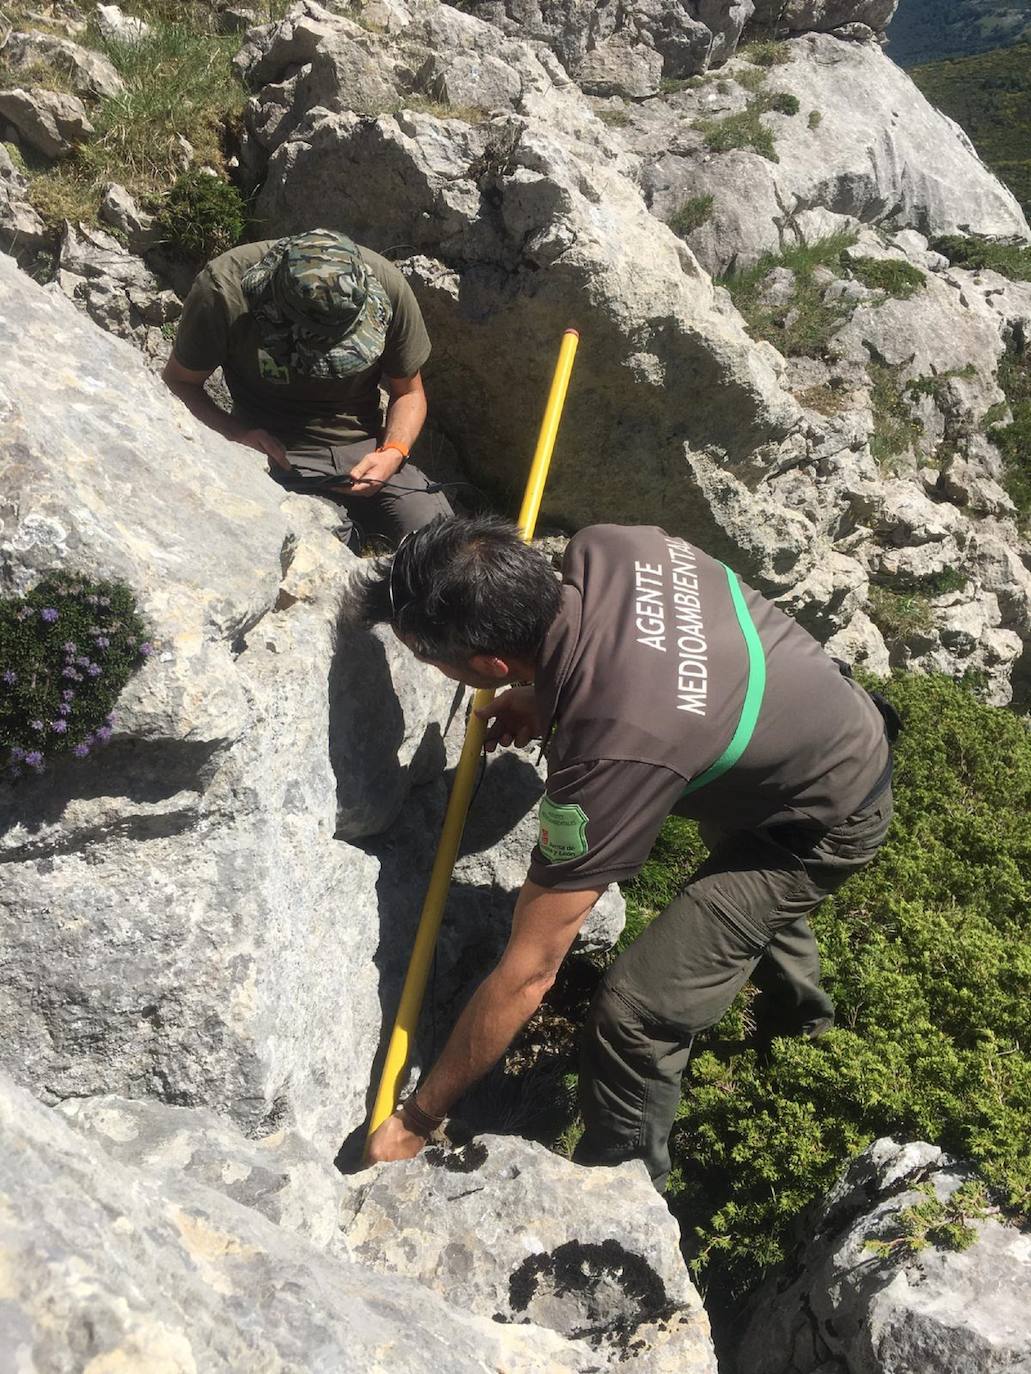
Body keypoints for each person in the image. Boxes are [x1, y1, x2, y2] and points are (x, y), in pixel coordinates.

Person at [359, 517, 895, 1188]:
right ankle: (803, 1026)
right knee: (741, 903)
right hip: (806, 736)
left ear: (490, 667)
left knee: (635, 1014)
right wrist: (547, 692)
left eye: (430, 658)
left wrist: (416, 1118)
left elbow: (529, 973)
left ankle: (622, 1190)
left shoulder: (614, 750)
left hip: (820, 819)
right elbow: (647, 647)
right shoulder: (614, 544)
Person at [162, 227, 453, 550]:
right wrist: (237, 435)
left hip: (368, 450)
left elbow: (409, 393)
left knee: (441, 543)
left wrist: (393, 452)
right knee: (318, 547)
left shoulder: (387, 285)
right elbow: (179, 383)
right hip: (275, 454)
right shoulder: (224, 291)